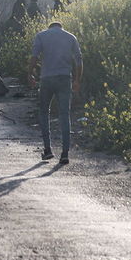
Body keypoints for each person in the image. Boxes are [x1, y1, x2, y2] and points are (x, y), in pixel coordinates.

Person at [28, 19, 83, 164]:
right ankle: (65, 153)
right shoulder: (71, 37)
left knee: (44, 112)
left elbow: (34, 57)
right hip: (65, 78)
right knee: (64, 114)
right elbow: (79, 60)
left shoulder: (41, 36)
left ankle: (47, 149)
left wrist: (30, 74)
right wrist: (77, 80)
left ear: (50, 26)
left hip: (46, 78)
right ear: (61, 26)